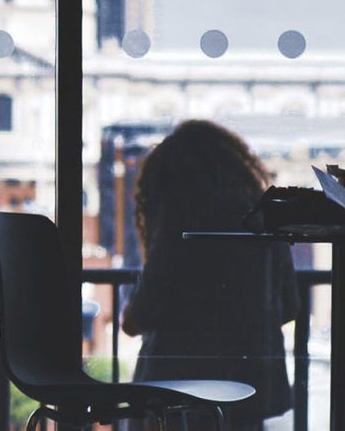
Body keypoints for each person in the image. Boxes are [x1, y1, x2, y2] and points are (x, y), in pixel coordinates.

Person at [121, 120, 298, 431]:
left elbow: (142, 313)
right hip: (248, 385)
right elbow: (290, 305)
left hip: (178, 391)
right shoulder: (260, 220)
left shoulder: (182, 223)